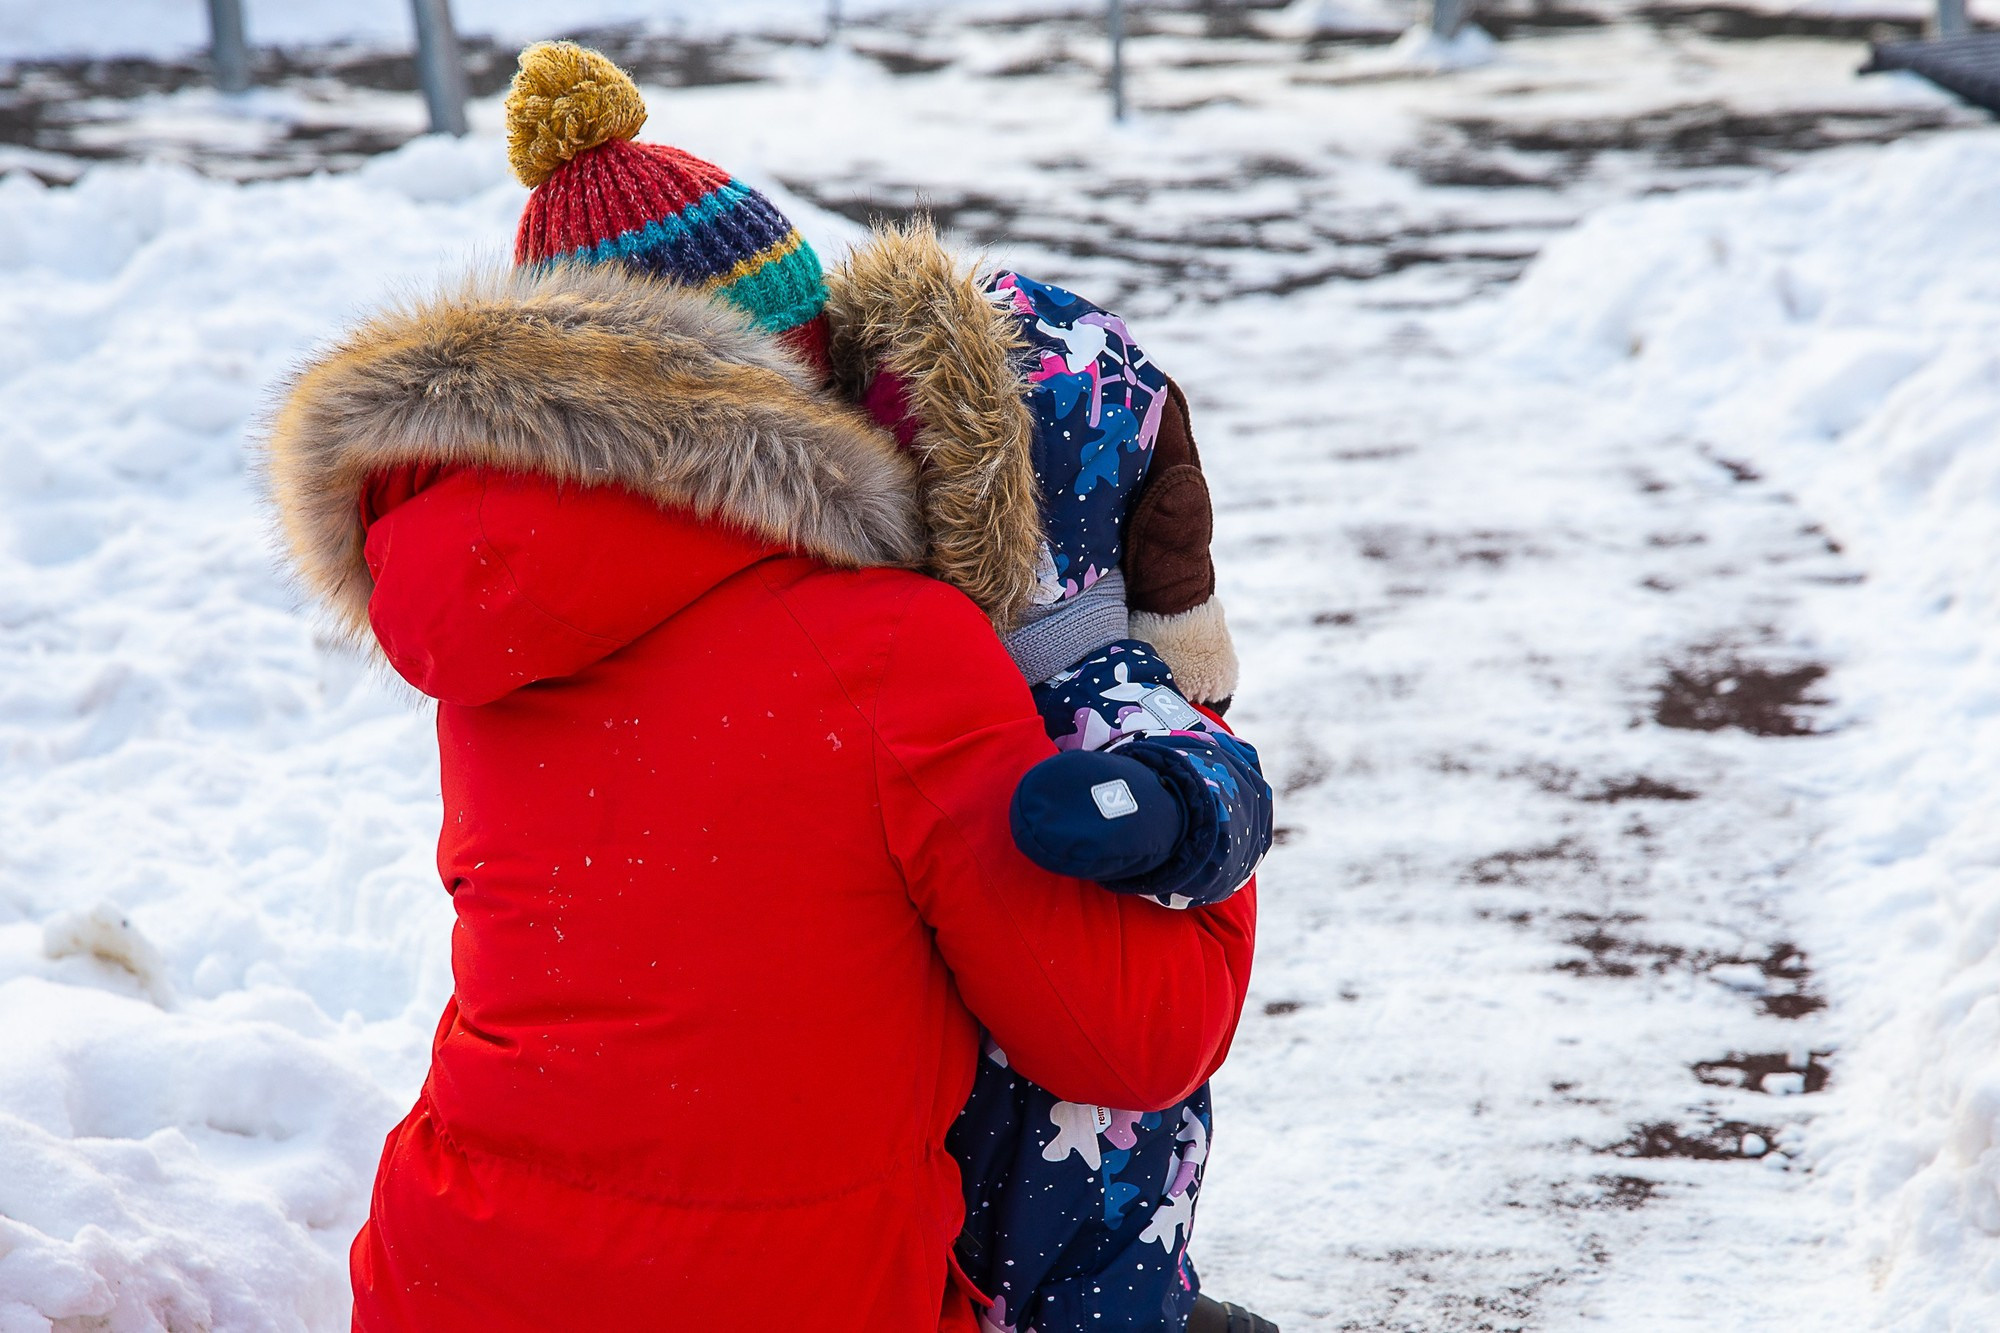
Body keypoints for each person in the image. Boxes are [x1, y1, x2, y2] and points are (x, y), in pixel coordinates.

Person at [259, 40, 1257, 1333]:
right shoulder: (890, 647)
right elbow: (1125, 1041)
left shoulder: (484, 637)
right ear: (792, 382)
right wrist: (1182, 746)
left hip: (447, 1280)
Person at [827, 228, 1276, 1332]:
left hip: (1101, 1195)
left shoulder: (1100, 676)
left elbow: (1227, 789)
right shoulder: (887, 670)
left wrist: (1143, 811)